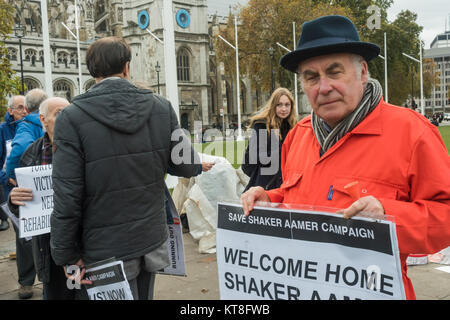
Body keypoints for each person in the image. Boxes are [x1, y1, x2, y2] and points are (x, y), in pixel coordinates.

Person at [240, 15, 450, 300]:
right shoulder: (299, 135)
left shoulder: (412, 132)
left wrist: (388, 217)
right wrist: (271, 202)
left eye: (334, 71)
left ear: (363, 72)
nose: (323, 87)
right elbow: (297, 197)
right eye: (311, 77)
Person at [50, 37, 203, 300]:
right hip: (148, 241)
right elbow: (187, 165)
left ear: (92, 71)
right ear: (126, 67)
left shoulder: (70, 117)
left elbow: (67, 195)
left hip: (101, 249)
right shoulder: (162, 107)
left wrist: (66, 255)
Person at [8, 97, 73, 300]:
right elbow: (23, 207)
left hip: (80, 246)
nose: (66, 119)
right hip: (48, 248)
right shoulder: (32, 154)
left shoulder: (84, 149)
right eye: (59, 113)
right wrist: (14, 199)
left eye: (69, 114)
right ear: (43, 119)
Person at [5, 89, 46, 299]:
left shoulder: (27, 125)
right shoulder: (44, 123)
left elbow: (19, 148)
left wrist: (12, 174)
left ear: (28, 109)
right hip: (44, 189)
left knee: (25, 238)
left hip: (27, 191)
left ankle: (26, 283)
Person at [242, 88, 297, 192]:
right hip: (264, 185)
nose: (283, 109)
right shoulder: (262, 126)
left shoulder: (293, 127)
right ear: (273, 106)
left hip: (286, 185)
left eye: (287, 105)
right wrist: (281, 151)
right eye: (279, 105)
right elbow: (250, 162)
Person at [0, 95, 27, 231]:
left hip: (31, 187)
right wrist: (7, 178)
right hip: (12, 189)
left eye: (27, 107)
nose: (24, 111)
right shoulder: (2, 130)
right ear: (10, 111)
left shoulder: (33, 127)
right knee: (22, 232)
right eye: (20, 107)